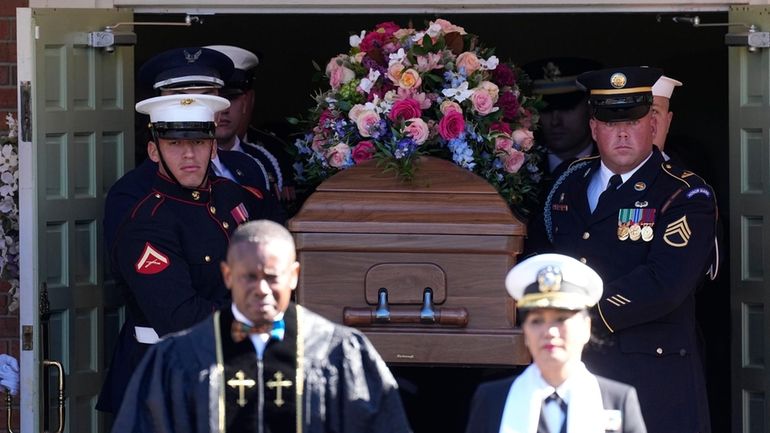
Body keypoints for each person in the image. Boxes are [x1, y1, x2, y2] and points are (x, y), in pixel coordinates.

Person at [526, 66, 716, 433]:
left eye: (633, 121)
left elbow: (664, 284)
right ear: (594, 129)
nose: (623, 133)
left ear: (652, 125)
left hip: (649, 374)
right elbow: (539, 255)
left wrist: (579, 318)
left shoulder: (684, 193)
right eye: (612, 124)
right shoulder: (568, 182)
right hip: (572, 366)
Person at [112, 220, 412, 433]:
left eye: (272, 277)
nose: (262, 290)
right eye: (248, 277)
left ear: (294, 276)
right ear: (228, 276)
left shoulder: (339, 352)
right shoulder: (178, 357)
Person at [97, 94, 283, 414]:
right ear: (154, 151)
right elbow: (180, 318)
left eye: (198, 142)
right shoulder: (147, 225)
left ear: (213, 146)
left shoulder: (229, 195)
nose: (189, 154)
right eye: (174, 144)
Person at [103, 46, 279, 251]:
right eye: (179, 98)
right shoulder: (132, 192)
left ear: (219, 109)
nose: (194, 110)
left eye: (207, 98)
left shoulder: (247, 166)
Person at [466, 254, 646, 433]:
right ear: (525, 332)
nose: (550, 332)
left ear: (586, 327)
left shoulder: (617, 401)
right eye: (537, 321)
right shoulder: (493, 399)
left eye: (561, 319)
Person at [207, 45, 296, 203]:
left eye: (231, 98)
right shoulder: (184, 162)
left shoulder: (264, 160)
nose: (224, 109)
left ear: (245, 103)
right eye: (215, 100)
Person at [523, 58, 602, 176]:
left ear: (590, 107)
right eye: (545, 109)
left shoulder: (612, 164)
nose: (555, 121)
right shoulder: (522, 169)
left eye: (567, 107)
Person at [650, 75, 682, 159]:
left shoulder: (679, 170)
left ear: (668, 121)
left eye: (654, 111)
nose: (645, 122)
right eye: (636, 113)